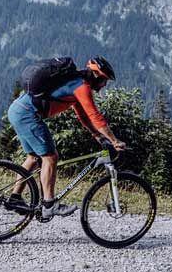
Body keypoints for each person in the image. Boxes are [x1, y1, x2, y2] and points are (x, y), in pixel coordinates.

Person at [7, 56, 126, 222]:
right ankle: (49, 205)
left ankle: (15, 198)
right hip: (28, 114)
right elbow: (95, 115)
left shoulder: (75, 83)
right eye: (104, 80)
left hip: (18, 110)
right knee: (50, 157)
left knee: (34, 158)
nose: (104, 85)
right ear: (97, 76)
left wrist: (97, 135)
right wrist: (114, 140)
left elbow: (83, 116)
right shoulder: (81, 86)